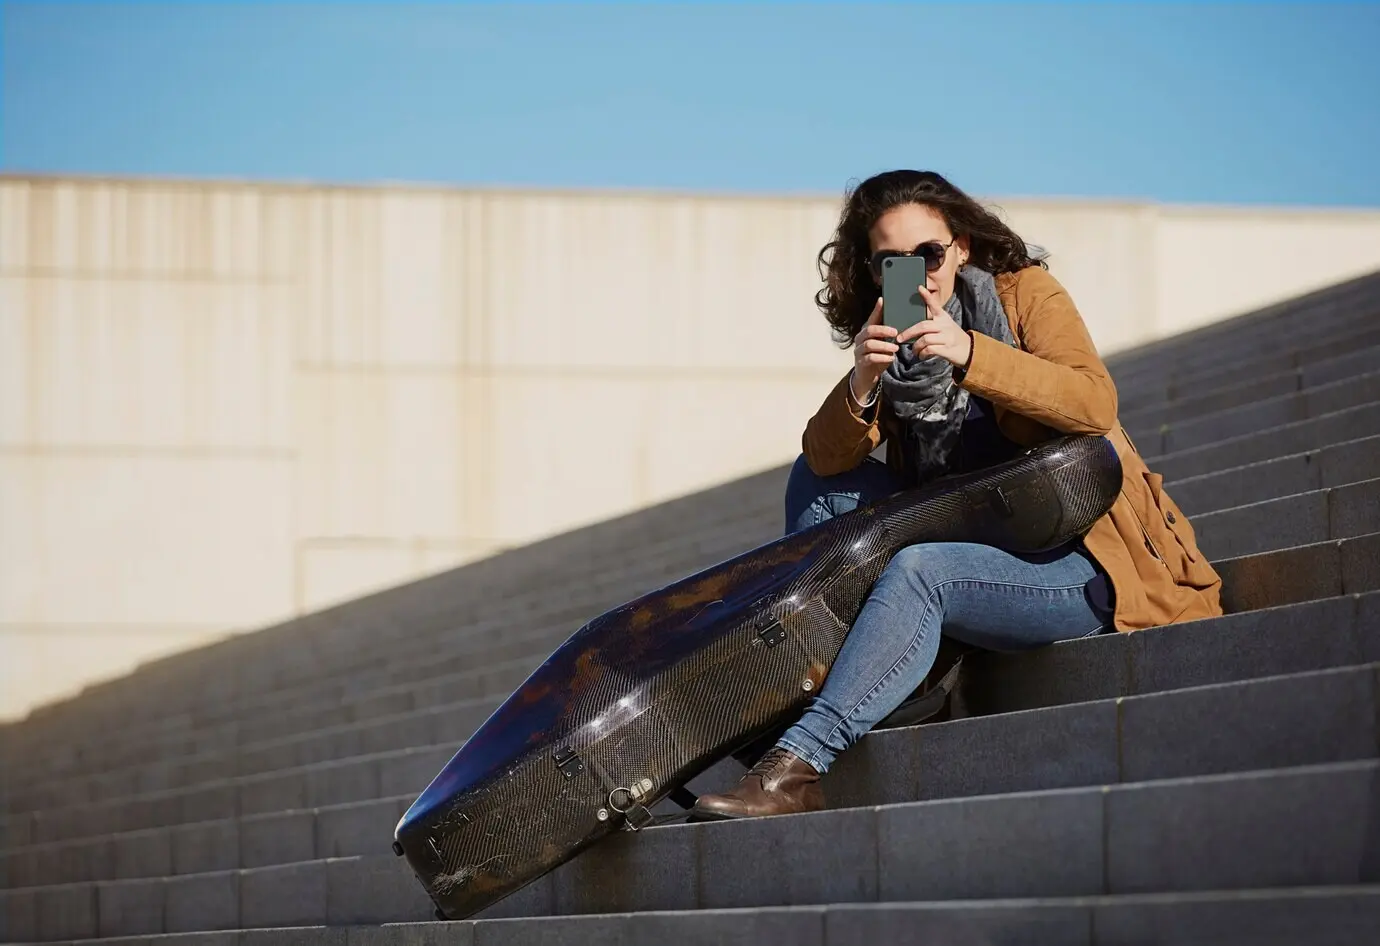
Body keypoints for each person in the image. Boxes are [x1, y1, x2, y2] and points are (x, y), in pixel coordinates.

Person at [691, 169, 1223, 821]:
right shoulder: (897, 334)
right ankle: (854, 677)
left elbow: (1094, 402)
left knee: (924, 570)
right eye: (894, 261)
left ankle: (797, 767)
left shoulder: (1026, 294)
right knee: (817, 484)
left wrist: (972, 352)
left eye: (929, 255)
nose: (918, 274)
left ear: (962, 245)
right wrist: (863, 380)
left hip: (1080, 565)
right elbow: (826, 458)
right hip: (977, 540)